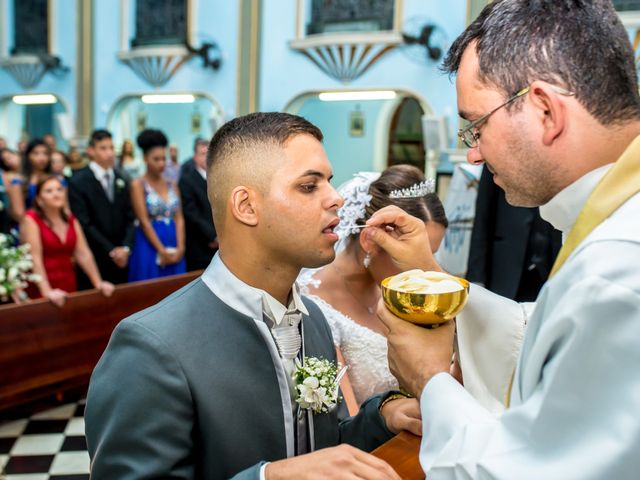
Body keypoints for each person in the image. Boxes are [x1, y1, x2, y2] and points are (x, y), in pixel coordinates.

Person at [372, 1, 640, 478]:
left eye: (477, 124)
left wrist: (430, 380)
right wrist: (435, 280)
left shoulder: (617, 269)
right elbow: (545, 332)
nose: (472, 154)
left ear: (543, 110)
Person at [85, 112, 420, 480]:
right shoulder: (151, 347)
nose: (336, 198)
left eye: (330, 182)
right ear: (246, 206)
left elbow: (318, 453)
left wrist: (380, 418)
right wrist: (268, 478)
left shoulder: (314, 319)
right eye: (309, 186)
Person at [301, 165, 447, 412]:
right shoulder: (310, 308)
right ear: (371, 240)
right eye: (414, 255)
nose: (425, 272)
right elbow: (342, 421)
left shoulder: (400, 290)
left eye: (430, 256)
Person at [467, 165, 561, 301]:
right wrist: (476, 278)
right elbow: (483, 215)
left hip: (551, 264)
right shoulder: (496, 149)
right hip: (505, 263)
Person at [20, 175, 114, 307]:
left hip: (68, 280)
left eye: (59, 189)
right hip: (41, 285)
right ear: (39, 200)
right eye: (49, 191)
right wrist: (47, 291)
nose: (56, 194)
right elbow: (34, 258)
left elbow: (83, 253)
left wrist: (98, 282)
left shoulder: (70, 218)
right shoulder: (31, 219)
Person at [68, 129, 135, 287]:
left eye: (111, 148)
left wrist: (125, 248)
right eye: (103, 148)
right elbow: (84, 223)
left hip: (122, 257)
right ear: (91, 151)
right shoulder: (78, 181)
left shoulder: (121, 179)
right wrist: (111, 250)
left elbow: (130, 217)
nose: (110, 153)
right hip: (95, 255)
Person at [128, 129, 186, 281]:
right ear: (145, 158)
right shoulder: (138, 185)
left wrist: (181, 246)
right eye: (156, 159)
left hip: (173, 239)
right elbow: (144, 221)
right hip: (150, 244)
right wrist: (161, 250)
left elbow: (179, 218)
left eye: (163, 158)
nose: (161, 163)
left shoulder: (172, 184)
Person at [178, 136, 217, 271]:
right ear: (194, 157)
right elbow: (191, 213)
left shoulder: (217, 178)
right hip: (200, 244)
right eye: (202, 154)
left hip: (220, 245)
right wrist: (212, 236)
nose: (206, 157)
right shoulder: (187, 180)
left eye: (209, 153)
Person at [21, 139, 52, 208]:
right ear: (28, 156)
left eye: (45, 153)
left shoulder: (55, 178)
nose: (41, 158)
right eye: (36, 153)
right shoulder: (21, 179)